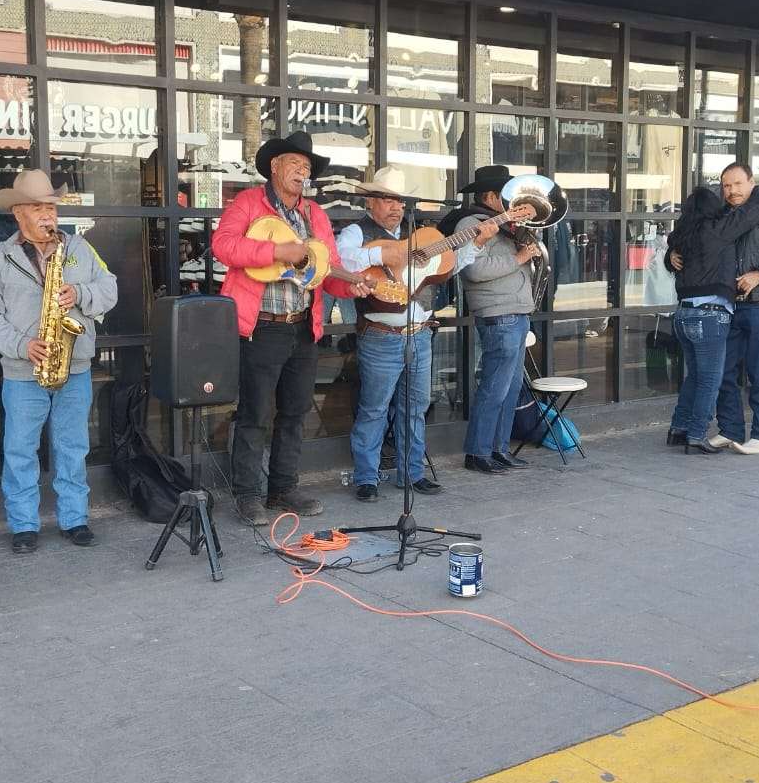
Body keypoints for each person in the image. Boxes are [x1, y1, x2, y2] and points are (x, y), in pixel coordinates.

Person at [211, 131, 370, 526]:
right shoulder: (249, 203)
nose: (303, 171)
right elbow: (223, 245)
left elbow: (326, 270)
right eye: (296, 163)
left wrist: (351, 285)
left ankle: (283, 488)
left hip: (302, 327)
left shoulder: (315, 215)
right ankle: (248, 494)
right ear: (274, 166)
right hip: (261, 328)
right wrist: (277, 251)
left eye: (307, 166)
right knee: (254, 414)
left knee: (295, 413)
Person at [0, 169, 118, 554]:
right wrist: (22, 345)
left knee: (73, 447)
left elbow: (110, 288)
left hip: (74, 368)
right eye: (38, 207)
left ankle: (75, 519)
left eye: (51, 207)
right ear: (18, 213)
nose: (48, 215)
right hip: (23, 371)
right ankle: (23, 525)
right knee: (20, 450)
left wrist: (81, 293)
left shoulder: (79, 248)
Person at [337, 165, 501, 501]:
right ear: (370, 203)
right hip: (380, 335)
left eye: (399, 201)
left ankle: (411, 473)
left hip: (420, 332)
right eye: (387, 200)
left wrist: (477, 243)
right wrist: (384, 253)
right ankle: (366, 477)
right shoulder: (356, 231)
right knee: (374, 408)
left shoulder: (420, 234)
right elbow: (342, 261)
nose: (396, 207)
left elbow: (448, 267)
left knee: (415, 408)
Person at [671, 162, 759, 454]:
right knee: (724, 374)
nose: (732, 191)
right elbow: (695, 240)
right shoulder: (721, 215)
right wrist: (672, 254)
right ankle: (730, 429)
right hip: (728, 308)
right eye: (727, 185)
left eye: (738, 184)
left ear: (751, 182)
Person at [664, 187, 759, 454]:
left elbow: (672, 256)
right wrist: (757, 189)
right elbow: (751, 213)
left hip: (683, 314)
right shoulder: (716, 229)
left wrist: (669, 254)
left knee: (695, 376)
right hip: (709, 315)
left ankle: (678, 428)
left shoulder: (682, 235)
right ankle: (696, 434)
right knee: (710, 380)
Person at [452, 165, 539, 474]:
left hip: (515, 313)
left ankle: (499, 449)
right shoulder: (471, 223)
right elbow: (474, 270)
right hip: (498, 314)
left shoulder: (505, 225)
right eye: (506, 195)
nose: (513, 201)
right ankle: (478, 452)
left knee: (510, 389)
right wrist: (518, 258)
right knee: (494, 389)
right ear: (490, 196)